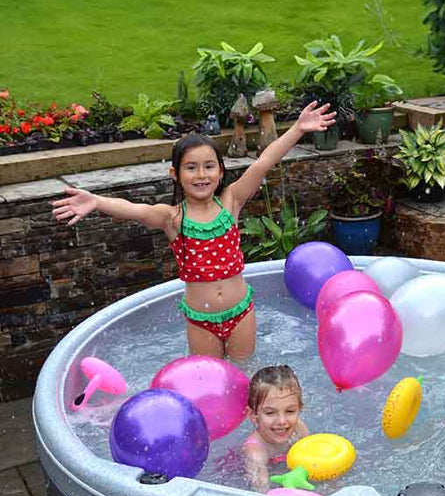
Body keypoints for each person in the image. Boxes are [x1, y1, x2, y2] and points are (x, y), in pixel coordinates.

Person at [51, 102, 336, 360]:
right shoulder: (173, 218)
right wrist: (98, 201)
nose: (201, 175)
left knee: (244, 375)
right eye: (191, 168)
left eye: (209, 166)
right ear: (175, 174)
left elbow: (263, 163)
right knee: (210, 381)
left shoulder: (230, 202)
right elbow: (134, 209)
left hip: (241, 313)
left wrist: (298, 128)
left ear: (221, 172)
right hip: (201, 320)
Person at [243, 365, 309, 492]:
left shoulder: (298, 428)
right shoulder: (255, 451)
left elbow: (311, 455)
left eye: (290, 411)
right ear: (253, 416)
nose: (282, 421)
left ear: (299, 409)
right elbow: (261, 490)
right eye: (270, 413)